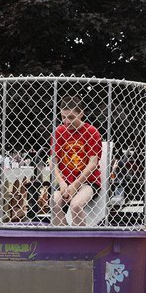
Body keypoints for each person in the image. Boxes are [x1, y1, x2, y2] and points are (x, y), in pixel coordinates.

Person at [50, 97, 102, 226]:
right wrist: (61, 182)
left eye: (71, 117)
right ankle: (63, 239)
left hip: (88, 181)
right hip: (66, 181)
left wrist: (76, 185)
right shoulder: (59, 132)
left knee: (76, 206)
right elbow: (53, 162)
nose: (67, 122)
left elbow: (93, 163)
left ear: (81, 114)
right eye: (63, 117)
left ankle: (82, 242)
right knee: (54, 202)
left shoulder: (91, 132)